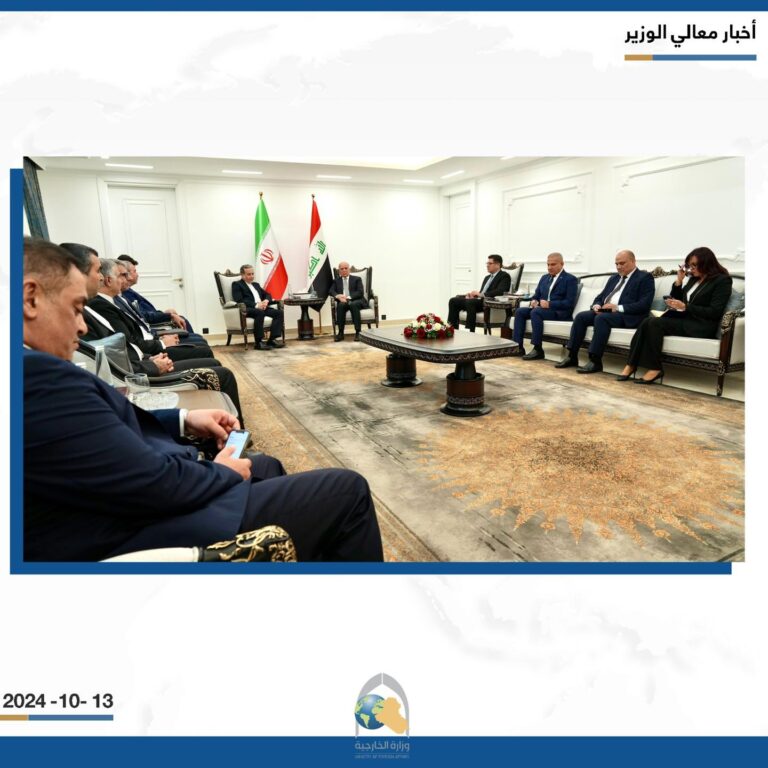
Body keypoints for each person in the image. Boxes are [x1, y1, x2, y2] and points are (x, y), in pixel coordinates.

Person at [22, 238, 383, 562]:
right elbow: (154, 484)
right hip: (146, 530)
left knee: (266, 465)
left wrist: (183, 420)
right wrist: (221, 472)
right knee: (347, 488)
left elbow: (102, 434)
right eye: (75, 308)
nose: (82, 326)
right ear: (30, 298)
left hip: (134, 502)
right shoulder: (37, 378)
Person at [64, 244, 247, 425]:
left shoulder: (92, 308)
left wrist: (151, 358)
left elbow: (126, 346)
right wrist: (152, 363)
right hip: (142, 375)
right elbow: (113, 366)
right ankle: (233, 431)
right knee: (223, 373)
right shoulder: (91, 309)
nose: (101, 277)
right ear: (78, 274)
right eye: (97, 271)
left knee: (210, 360)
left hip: (145, 362)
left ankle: (221, 422)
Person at [618, 247, 733, 385]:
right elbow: (680, 299)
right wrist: (679, 281)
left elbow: (715, 311)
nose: (691, 269)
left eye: (694, 265)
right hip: (686, 320)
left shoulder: (722, 281)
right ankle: (631, 364)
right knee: (648, 321)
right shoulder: (694, 279)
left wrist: (685, 307)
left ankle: (655, 368)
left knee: (655, 323)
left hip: (702, 326)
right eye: (689, 266)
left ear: (706, 263)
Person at [89, 259, 217, 362]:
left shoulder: (113, 300)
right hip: (146, 355)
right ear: (109, 280)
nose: (125, 279)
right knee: (204, 351)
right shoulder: (102, 304)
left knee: (200, 343)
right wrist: (161, 343)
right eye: (122, 275)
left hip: (148, 346)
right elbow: (129, 343)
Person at [555, 250, 654, 374]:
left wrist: (617, 307)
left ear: (633, 261)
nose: (618, 267)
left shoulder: (644, 278)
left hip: (627, 315)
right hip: (606, 310)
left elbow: (644, 304)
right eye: (616, 264)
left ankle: (595, 360)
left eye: (622, 263)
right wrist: (597, 305)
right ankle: (572, 356)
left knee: (601, 318)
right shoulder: (614, 278)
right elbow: (600, 297)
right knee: (581, 317)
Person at [116, 253, 202, 340]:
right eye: (134, 271)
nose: (137, 275)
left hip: (152, 326)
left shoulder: (128, 291)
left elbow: (146, 312)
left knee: (195, 336)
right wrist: (168, 315)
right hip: (151, 330)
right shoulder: (125, 294)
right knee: (196, 338)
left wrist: (164, 313)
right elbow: (144, 316)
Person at [510, 252, 578, 360]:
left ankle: (538, 349)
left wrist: (550, 304)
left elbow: (569, 302)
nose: (549, 267)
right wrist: (534, 301)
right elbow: (537, 295)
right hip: (542, 310)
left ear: (562, 264)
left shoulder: (570, 279)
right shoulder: (544, 278)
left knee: (536, 312)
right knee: (520, 311)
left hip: (559, 312)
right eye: (548, 264)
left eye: (553, 264)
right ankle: (518, 347)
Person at [447, 254, 512, 333]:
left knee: (471, 302)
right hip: (478, 301)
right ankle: (452, 330)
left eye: (490, 263)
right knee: (453, 300)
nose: (487, 265)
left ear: (498, 265)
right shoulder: (487, 278)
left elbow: (501, 291)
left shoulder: (504, 276)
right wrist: (473, 295)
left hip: (488, 303)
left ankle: (470, 331)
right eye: (487, 263)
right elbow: (482, 292)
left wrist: (481, 295)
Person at [231, 264, 285, 350]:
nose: (252, 276)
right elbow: (239, 300)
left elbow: (267, 294)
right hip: (248, 309)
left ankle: (272, 340)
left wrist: (266, 301)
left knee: (278, 313)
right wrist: (256, 305)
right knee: (259, 312)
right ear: (242, 275)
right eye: (249, 274)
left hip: (262, 307)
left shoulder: (256, 285)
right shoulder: (237, 284)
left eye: (252, 274)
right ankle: (258, 342)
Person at [329, 261, 366, 341]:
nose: (344, 270)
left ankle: (358, 332)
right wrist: (338, 296)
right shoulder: (336, 281)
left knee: (353, 304)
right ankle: (340, 333)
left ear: (349, 269)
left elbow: (360, 292)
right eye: (342, 269)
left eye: (346, 268)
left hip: (357, 300)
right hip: (343, 301)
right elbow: (331, 291)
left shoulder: (357, 279)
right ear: (339, 271)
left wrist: (348, 297)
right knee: (340, 305)